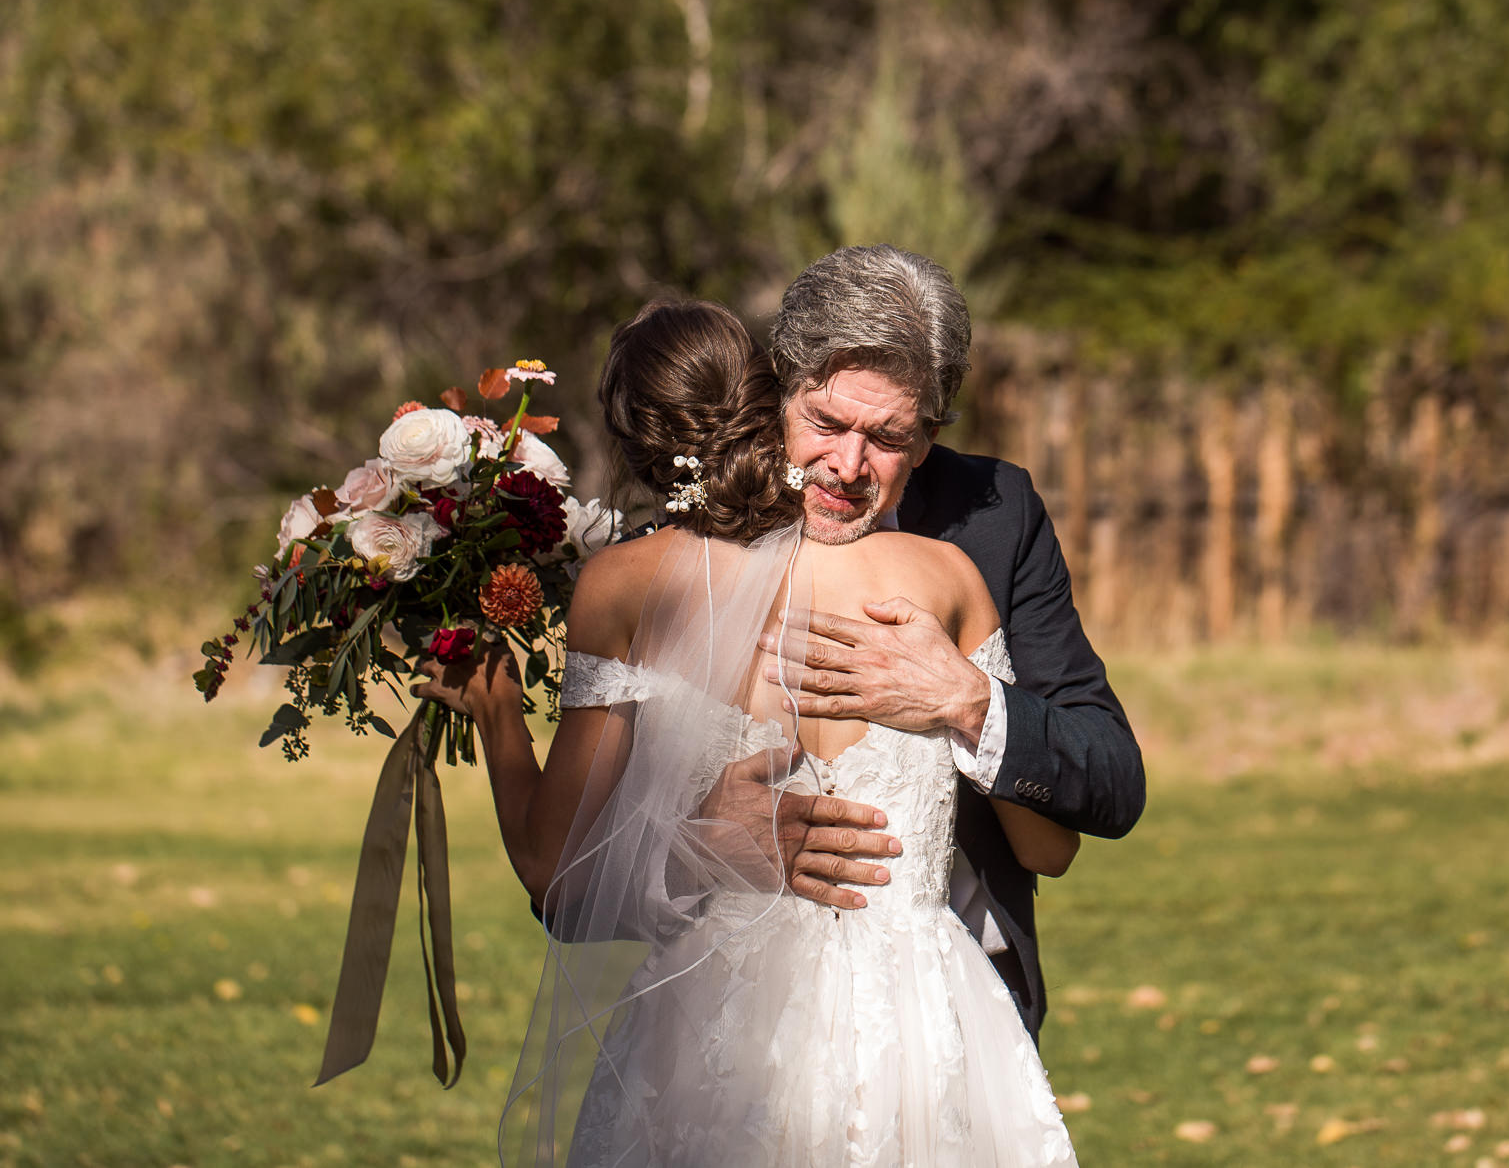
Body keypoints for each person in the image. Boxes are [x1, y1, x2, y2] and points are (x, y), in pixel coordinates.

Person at [420, 298, 1082, 1164]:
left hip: (717, 1016)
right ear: (776, 403)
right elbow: (1048, 848)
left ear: (634, 448)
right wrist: (969, 703)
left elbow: (554, 870)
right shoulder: (944, 575)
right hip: (926, 1016)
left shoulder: (629, 585)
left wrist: (501, 717)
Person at [752, 244, 1145, 1038]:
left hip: (966, 1009)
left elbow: (1111, 778)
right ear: (778, 395)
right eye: (825, 422)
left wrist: (967, 700)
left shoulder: (998, 513)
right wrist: (709, 834)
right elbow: (576, 875)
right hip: (754, 1011)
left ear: (929, 436)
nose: (847, 465)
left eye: (888, 437)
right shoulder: (698, 522)